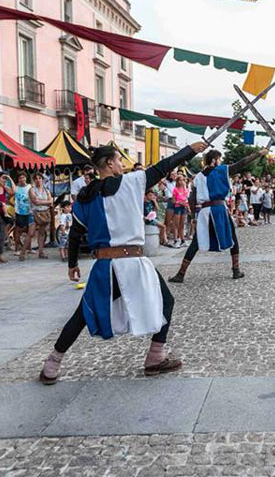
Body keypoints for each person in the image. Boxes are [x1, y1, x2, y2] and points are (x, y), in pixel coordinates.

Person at [39, 141, 207, 384]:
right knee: (166, 302)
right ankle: (155, 357)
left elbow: (75, 233)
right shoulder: (131, 182)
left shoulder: (86, 196)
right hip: (133, 263)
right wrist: (190, 149)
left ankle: (52, 365)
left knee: (85, 313)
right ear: (109, 163)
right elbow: (163, 167)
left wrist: (72, 263)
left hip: (106, 266)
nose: (121, 164)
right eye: (118, 160)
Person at [169, 148, 267, 284]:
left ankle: (181, 274)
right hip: (219, 209)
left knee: (196, 242)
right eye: (219, 159)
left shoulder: (198, 177)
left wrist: (194, 216)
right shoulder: (221, 170)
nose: (220, 161)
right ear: (214, 160)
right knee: (232, 238)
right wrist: (258, 154)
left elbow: (192, 198)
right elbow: (241, 164)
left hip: (204, 212)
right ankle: (236, 270)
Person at [29, 172, 53, 259]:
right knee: (31, 233)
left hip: (44, 213)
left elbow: (50, 201)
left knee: (42, 232)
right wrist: (45, 202)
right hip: (35, 213)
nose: (38, 180)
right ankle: (23, 251)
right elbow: (35, 201)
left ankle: (41, 251)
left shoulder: (46, 190)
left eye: (40, 178)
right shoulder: (32, 190)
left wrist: (41, 201)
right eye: (36, 178)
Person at [13, 173, 35, 261]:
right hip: (19, 212)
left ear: (26, 178)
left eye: (23, 177)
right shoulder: (16, 188)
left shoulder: (30, 187)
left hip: (29, 212)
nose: (22, 179)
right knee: (18, 231)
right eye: (20, 178)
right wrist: (14, 205)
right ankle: (16, 249)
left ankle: (29, 248)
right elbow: (9, 197)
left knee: (28, 231)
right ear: (18, 179)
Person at [171, 174, 190, 245]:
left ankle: (182, 240)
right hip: (178, 207)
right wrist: (179, 202)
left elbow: (186, 199)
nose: (183, 181)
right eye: (181, 180)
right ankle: (175, 240)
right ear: (178, 181)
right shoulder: (175, 189)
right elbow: (173, 200)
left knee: (182, 224)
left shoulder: (185, 189)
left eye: (184, 180)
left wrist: (188, 207)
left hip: (184, 207)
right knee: (176, 224)